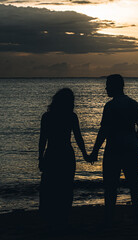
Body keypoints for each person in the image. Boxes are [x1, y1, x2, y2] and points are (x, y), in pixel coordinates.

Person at [90, 74, 138, 225]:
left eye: (108, 85)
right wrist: (135, 141)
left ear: (116, 86)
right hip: (130, 147)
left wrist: (95, 151)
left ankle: (109, 217)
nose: (106, 88)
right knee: (134, 183)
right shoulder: (134, 104)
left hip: (114, 148)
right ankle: (137, 215)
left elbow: (104, 131)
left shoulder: (110, 106)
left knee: (110, 185)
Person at [38, 88, 88, 230]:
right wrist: (85, 154)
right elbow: (78, 138)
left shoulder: (47, 117)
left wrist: (40, 158)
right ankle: (63, 218)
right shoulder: (71, 116)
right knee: (65, 187)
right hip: (66, 154)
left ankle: (50, 219)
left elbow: (43, 140)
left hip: (52, 153)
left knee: (50, 187)